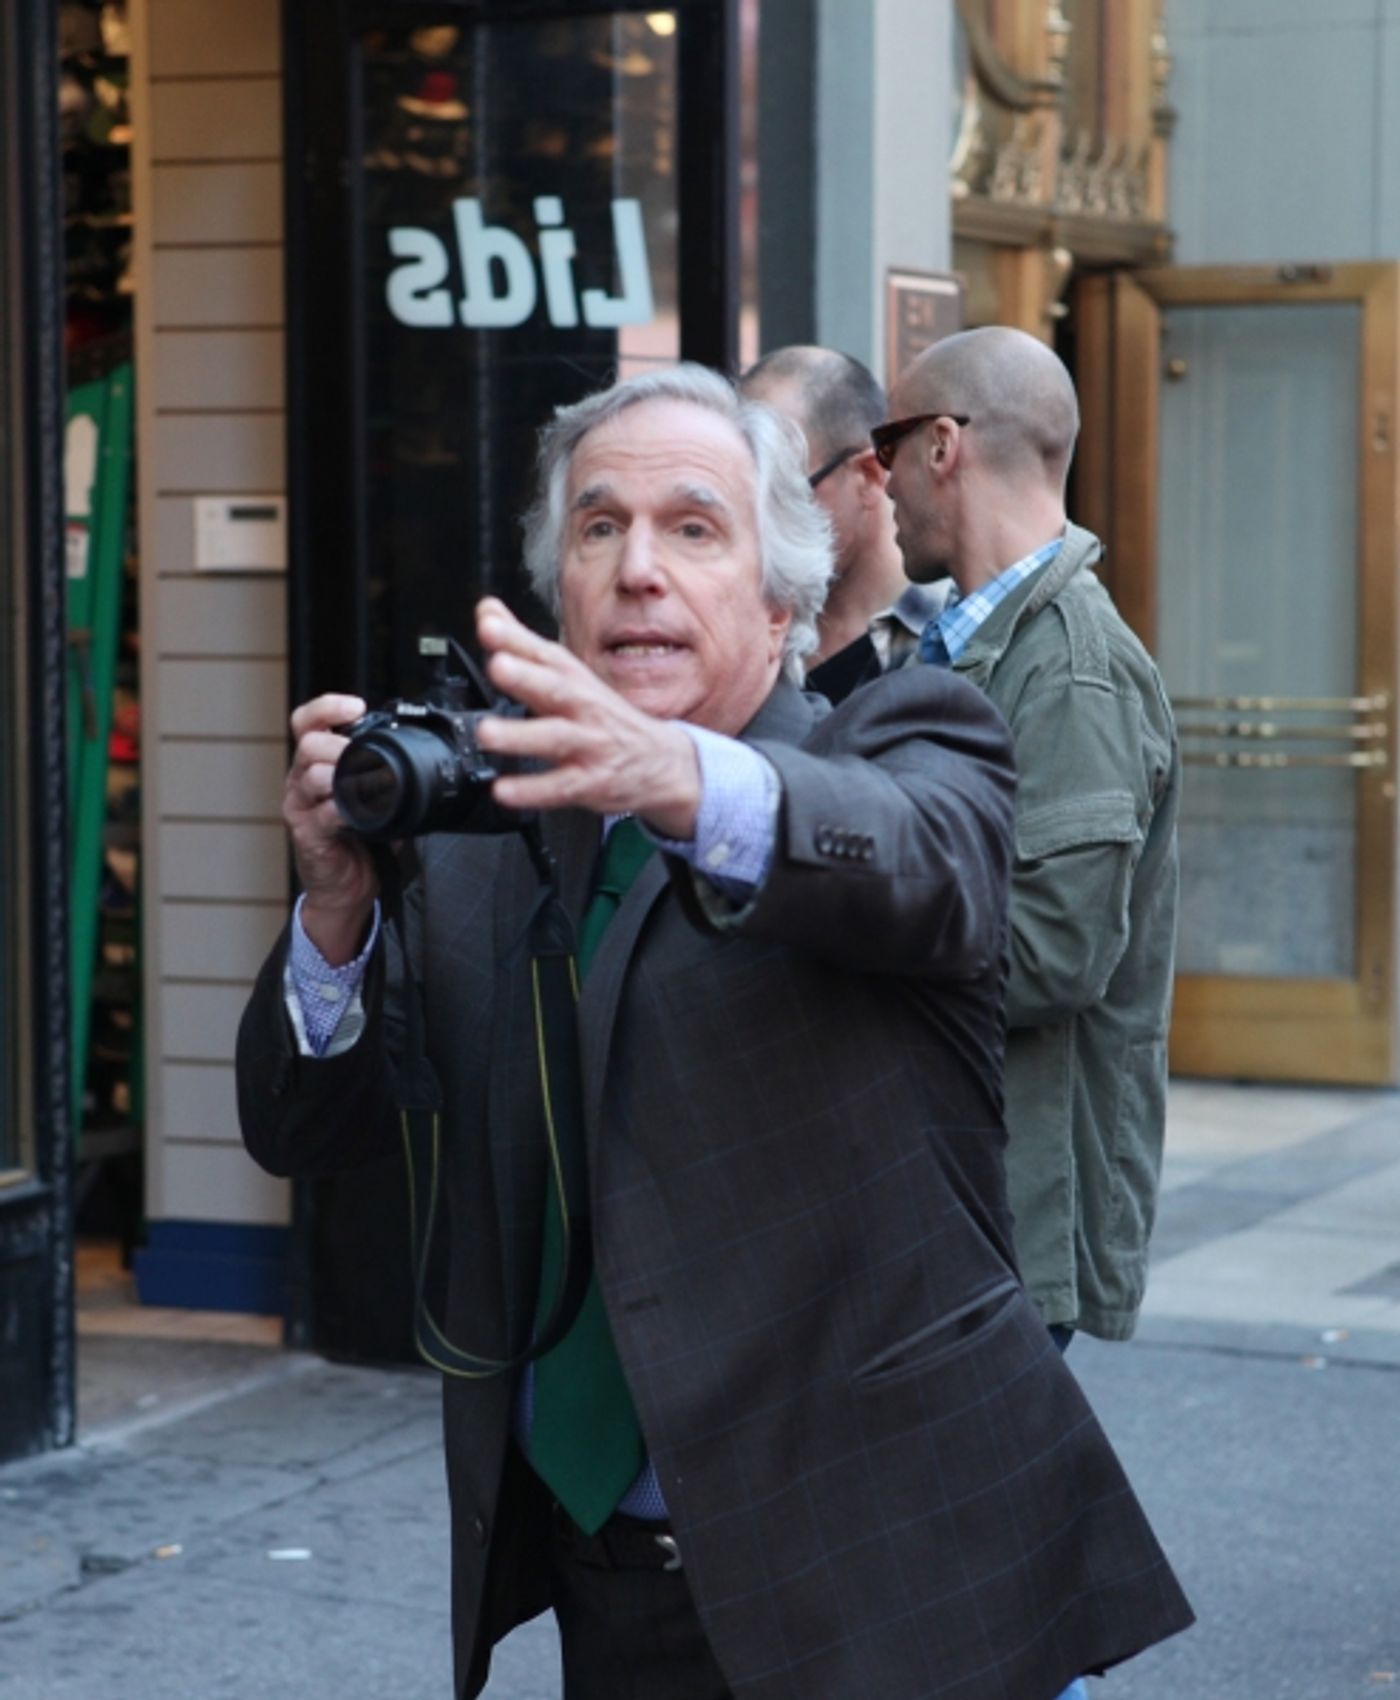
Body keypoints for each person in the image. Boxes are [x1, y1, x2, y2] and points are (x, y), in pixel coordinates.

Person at [237, 363, 1192, 1699]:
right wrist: (336, 911)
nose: (638, 569)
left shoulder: (912, 744)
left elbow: (942, 869)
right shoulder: (484, 834)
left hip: (889, 1580)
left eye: (693, 527)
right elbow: (302, 1131)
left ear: (782, 596)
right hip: (611, 1580)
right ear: (556, 594)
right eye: (599, 528)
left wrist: (684, 780)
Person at [879, 325, 1181, 1349]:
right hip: (955, 1193)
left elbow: (1053, 955)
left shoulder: (1070, 668)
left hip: (1005, 1217)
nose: (875, 479)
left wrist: (838, 923)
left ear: (942, 446)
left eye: (887, 444)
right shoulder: (970, 639)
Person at [740, 345, 945, 703]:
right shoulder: (736, 631)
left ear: (868, 476)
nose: (756, 523)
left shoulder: (956, 636)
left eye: (782, 495)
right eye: (738, 499)